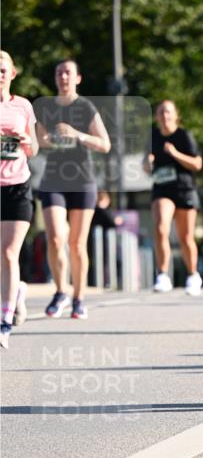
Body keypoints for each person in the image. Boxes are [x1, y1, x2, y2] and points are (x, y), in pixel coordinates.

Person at [34, 59, 111, 319]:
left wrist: (78, 134)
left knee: (77, 243)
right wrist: (46, 138)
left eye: (68, 72)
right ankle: (60, 291)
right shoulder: (45, 107)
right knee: (55, 238)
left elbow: (104, 144)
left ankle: (79, 298)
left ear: (78, 78)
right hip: (53, 180)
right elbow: (40, 141)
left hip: (82, 181)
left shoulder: (85, 107)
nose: (63, 76)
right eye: (59, 72)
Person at [144, 100, 203, 296]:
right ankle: (162, 275)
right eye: (160, 112)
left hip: (184, 189)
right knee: (161, 227)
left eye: (168, 112)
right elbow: (146, 168)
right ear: (156, 117)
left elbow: (197, 164)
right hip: (162, 189)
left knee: (186, 237)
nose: (164, 115)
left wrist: (175, 153)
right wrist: (148, 162)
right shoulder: (152, 137)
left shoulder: (184, 136)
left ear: (175, 115)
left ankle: (193, 275)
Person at [0, 51, 39, 348]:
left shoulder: (23, 106)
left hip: (18, 187)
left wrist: (26, 141)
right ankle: (17, 293)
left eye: (3, 70)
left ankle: (5, 319)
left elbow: (34, 149)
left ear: (13, 74)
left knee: (9, 253)